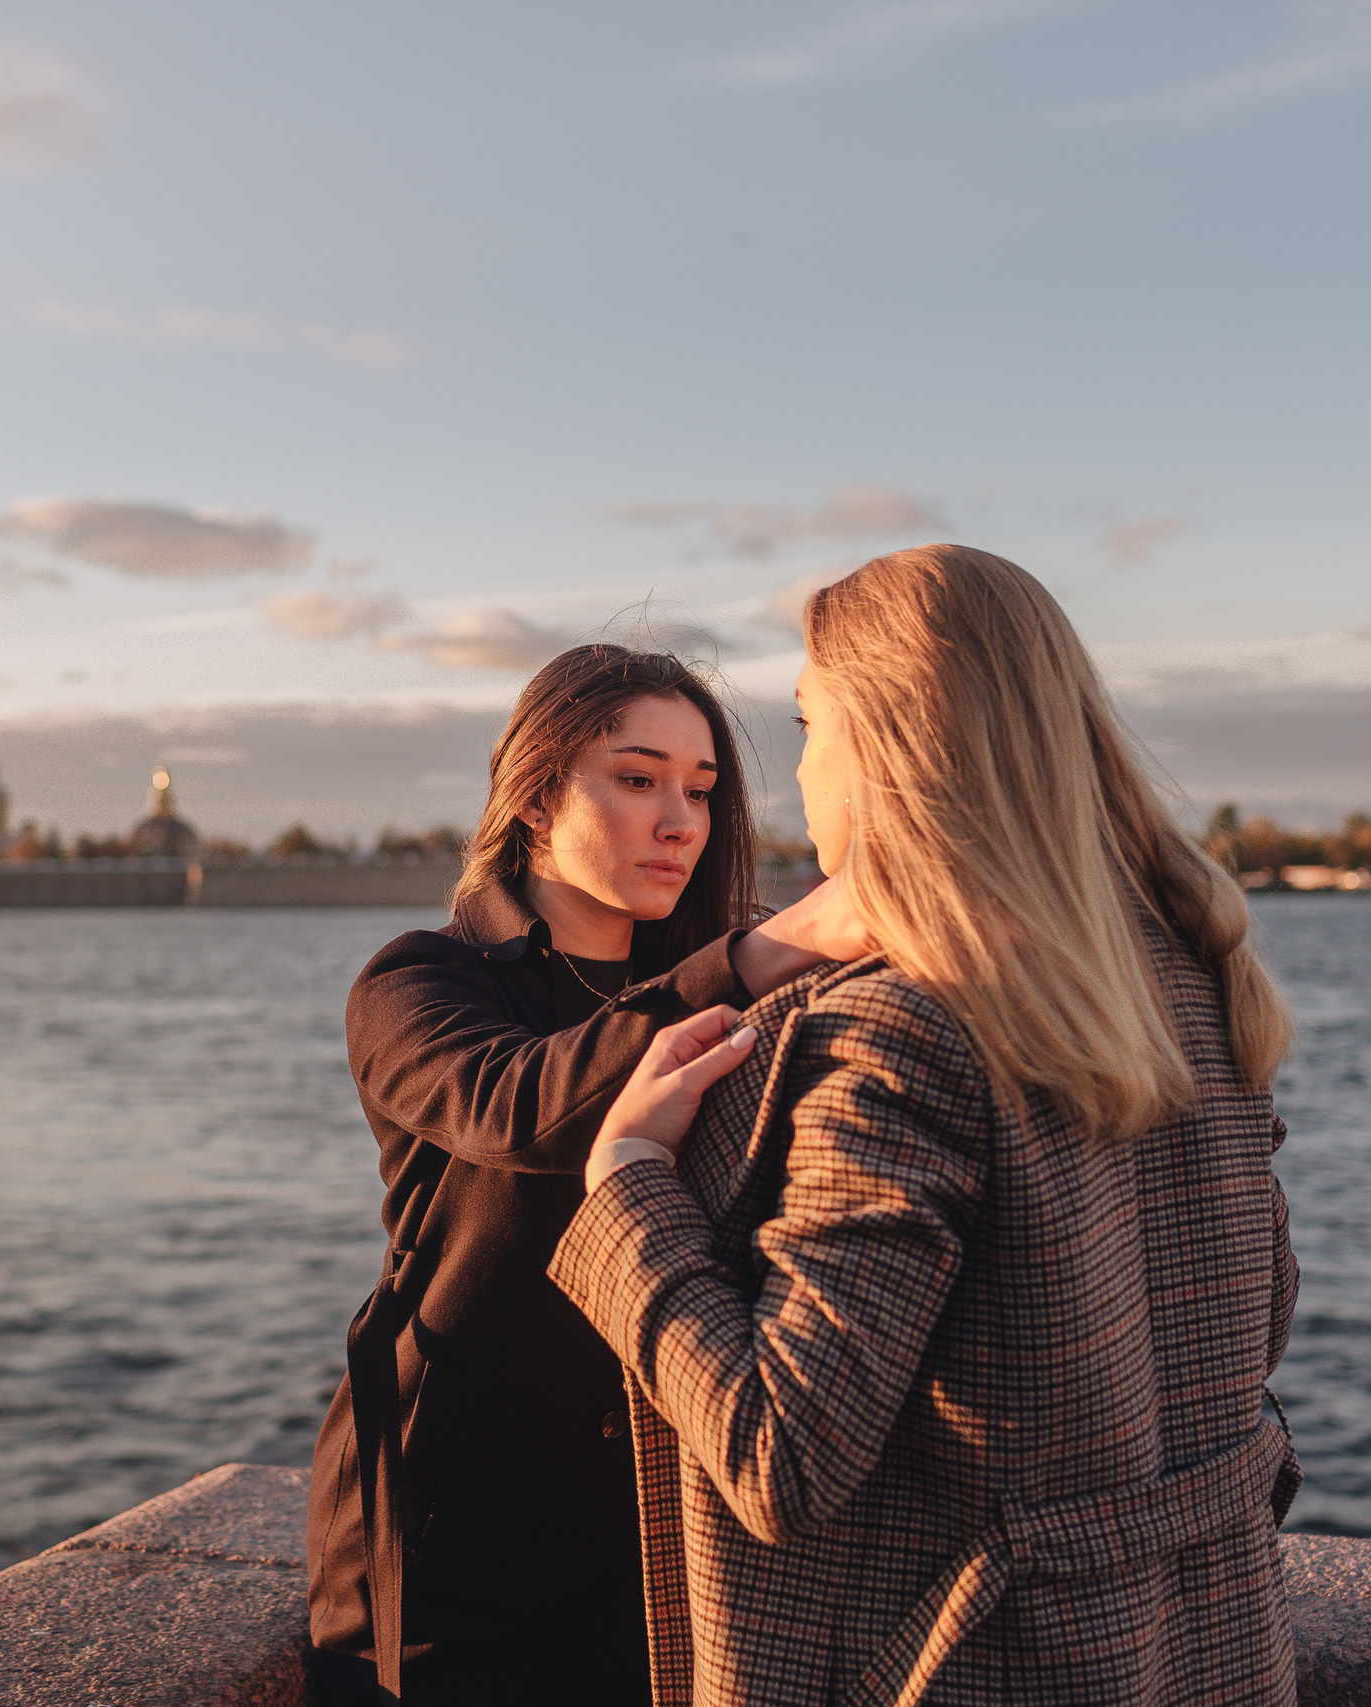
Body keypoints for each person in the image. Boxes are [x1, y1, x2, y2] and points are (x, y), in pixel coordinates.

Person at [551, 546, 1302, 1706]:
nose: (800, 769)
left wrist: (628, 1180)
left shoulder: (901, 1029)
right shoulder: (1195, 982)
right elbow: (1254, 1327)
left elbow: (777, 1457)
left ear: (881, 739)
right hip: (1213, 1653)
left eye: (807, 725)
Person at [308, 644, 870, 1706]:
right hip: (448, 1548)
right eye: (638, 778)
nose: (681, 822)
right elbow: (515, 1104)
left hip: (658, 1534)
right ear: (534, 797)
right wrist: (770, 950)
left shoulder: (739, 984)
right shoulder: (419, 981)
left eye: (700, 790)